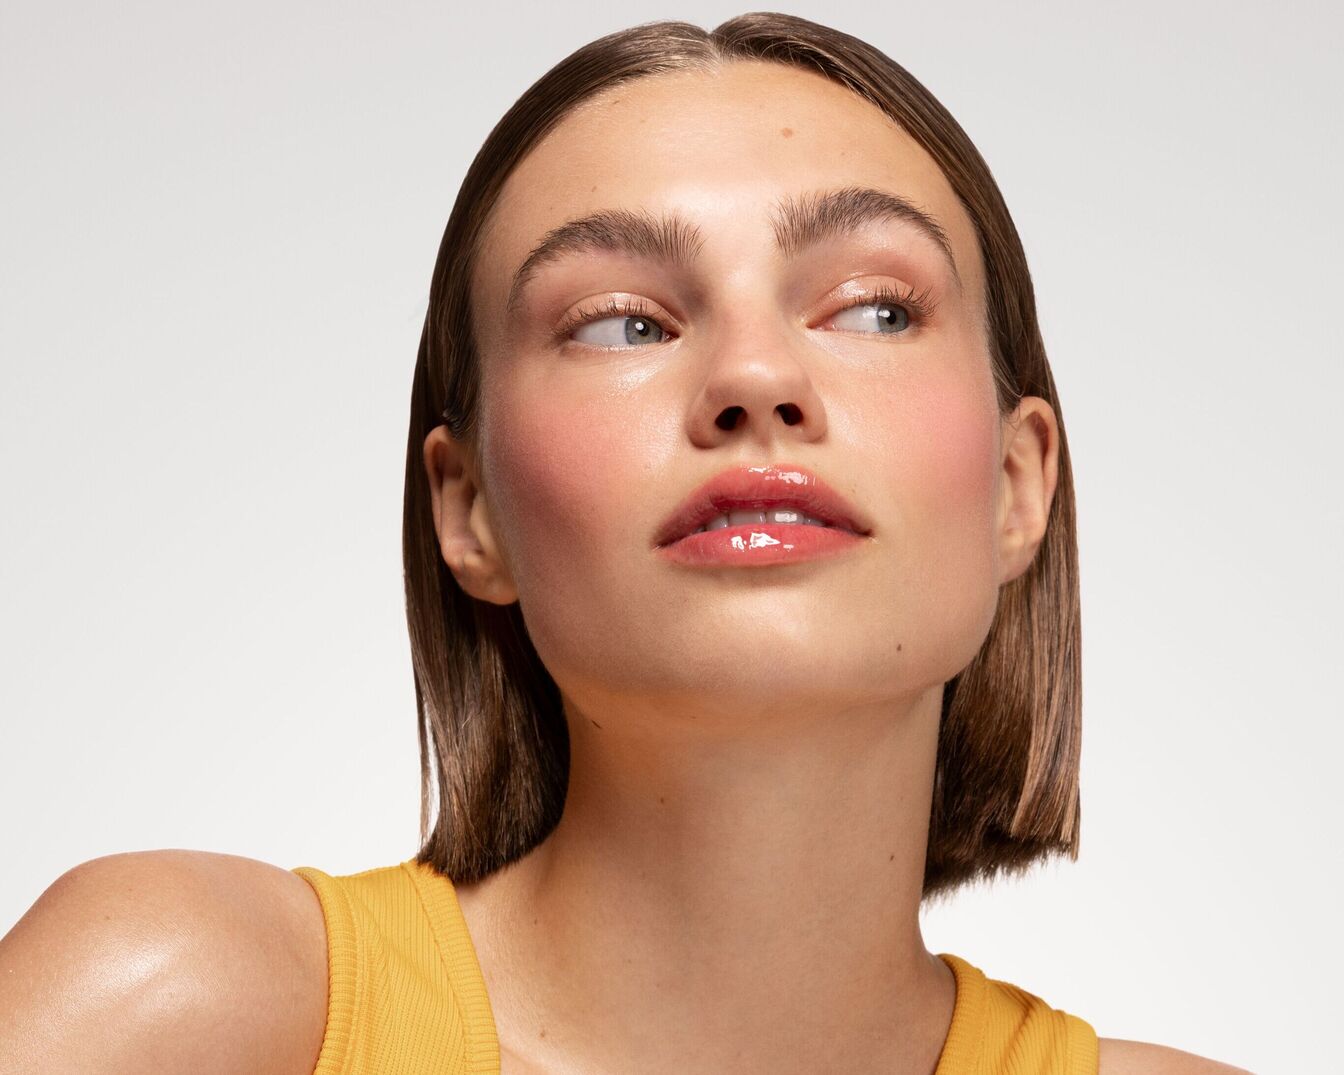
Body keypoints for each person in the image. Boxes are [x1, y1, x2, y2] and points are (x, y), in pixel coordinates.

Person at [0, 12, 1250, 1075]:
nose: (757, 377)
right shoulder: (186, 1013)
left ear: (1019, 485)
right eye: (619, 325)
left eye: (874, 307)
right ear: (468, 509)